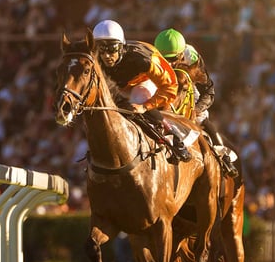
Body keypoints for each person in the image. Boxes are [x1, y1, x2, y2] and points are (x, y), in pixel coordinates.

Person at [92, 19, 192, 162]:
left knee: (136, 100)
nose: (106, 55)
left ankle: (174, 137)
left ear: (121, 46)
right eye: (101, 49)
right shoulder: (95, 59)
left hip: (146, 81)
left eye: (112, 49)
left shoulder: (142, 59)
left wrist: (145, 106)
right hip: (120, 86)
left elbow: (170, 87)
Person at [154, 28, 238, 177]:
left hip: (188, 89)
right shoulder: (152, 58)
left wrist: (197, 109)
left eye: (173, 58)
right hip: (163, 91)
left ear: (182, 54)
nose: (169, 63)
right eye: (165, 59)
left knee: (202, 119)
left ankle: (224, 157)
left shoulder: (192, 57)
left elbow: (209, 90)